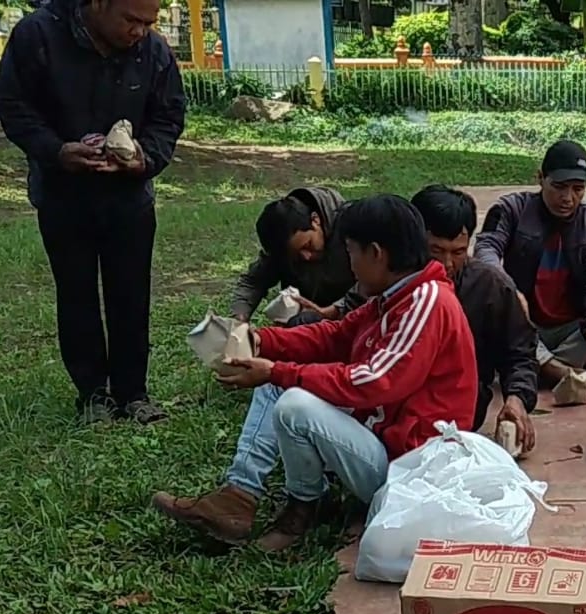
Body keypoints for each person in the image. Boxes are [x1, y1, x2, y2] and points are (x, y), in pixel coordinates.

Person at [152, 195, 478, 552]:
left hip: (411, 468)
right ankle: (239, 495)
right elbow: (334, 336)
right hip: (387, 436)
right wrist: (261, 341)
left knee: (293, 402)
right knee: (279, 387)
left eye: (351, 252)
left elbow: (372, 382)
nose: (350, 265)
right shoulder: (396, 295)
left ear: (375, 253)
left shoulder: (426, 303)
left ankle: (304, 505)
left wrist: (277, 371)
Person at [0, 0, 186, 424]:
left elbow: (169, 115)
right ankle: (93, 394)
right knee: (76, 292)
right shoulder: (38, 35)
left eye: (149, 22)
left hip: (129, 198)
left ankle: (134, 393)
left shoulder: (152, 51)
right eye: (132, 20)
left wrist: (145, 158)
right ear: (98, 4)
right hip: (63, 194)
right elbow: (12, 105)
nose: (141, 31)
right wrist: (56, 152)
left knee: (132, 294)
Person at [474, 140, 586, 391]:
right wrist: (510, 290)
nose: (568, 198)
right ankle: (561, 371)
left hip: (572, 326)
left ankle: (539, 368)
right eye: (559, 187)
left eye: (578, 189)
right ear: (540, 178)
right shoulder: (510, 209)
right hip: (524, 321)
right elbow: (486, 250)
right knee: (492, 308)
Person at [411, 184, 538, 452]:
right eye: (435, 251)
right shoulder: (393, 276)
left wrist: (516, 399)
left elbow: (520, 353)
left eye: (457, 252)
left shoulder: (490, 285)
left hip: (461, 404)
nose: (446, 264)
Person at [232, 187, 363, 326]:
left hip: (353, 318)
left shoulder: (353, 228)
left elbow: (375, 283)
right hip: (303, 322)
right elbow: (253, 282)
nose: (306, 256)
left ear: (315, 220)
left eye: (308, 245)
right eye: (296, 255)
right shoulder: (281, 245)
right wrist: (239, 319)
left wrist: (336, 309)